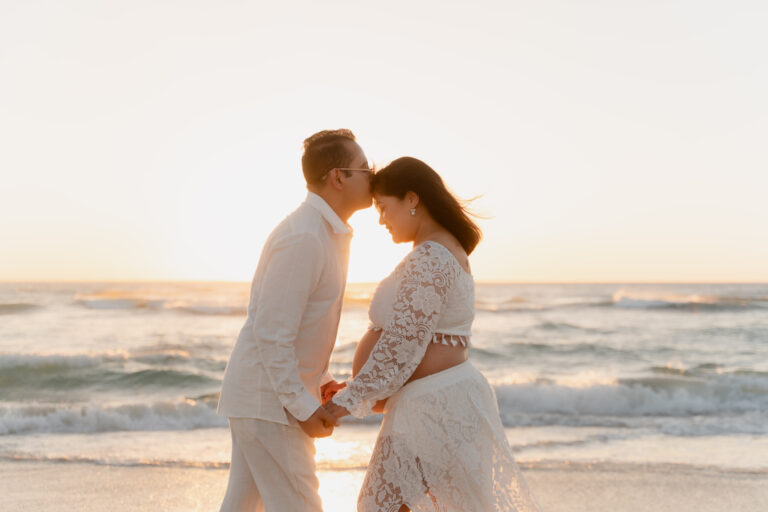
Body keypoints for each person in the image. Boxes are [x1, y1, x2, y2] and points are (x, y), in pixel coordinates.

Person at [324, 157, 541, 511]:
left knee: (379, 507)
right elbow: (419, 344)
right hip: (436, 402)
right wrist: (356, 387)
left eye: (383, 207)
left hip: (433, 407)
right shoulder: (437, 249)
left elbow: (404, 343)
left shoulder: (432, 255)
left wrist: (342, 405)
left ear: (412, 199)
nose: (380, 219)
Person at [217, 129, 373, 512]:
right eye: (365, 168)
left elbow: (297, 328)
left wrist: (318, 381)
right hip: (269, 403)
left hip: (265, 398)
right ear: (338, 177)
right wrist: (303, 409)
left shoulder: (323, 233)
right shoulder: (305, 238)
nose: (374, 175)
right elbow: (271, 334)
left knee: (241, 507)